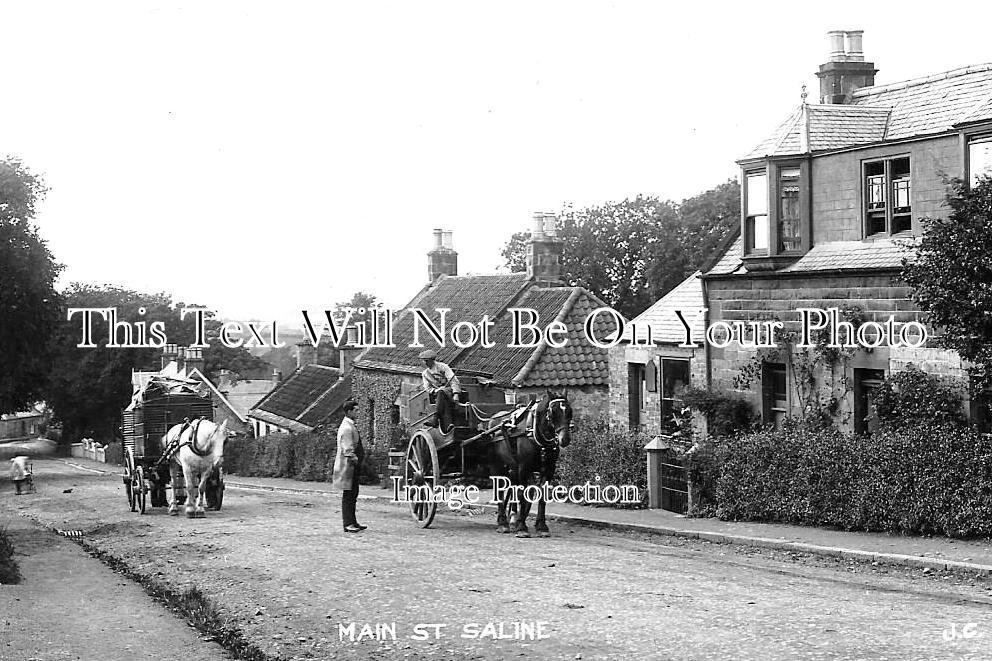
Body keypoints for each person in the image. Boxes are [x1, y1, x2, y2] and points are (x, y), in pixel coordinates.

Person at [333, 400, 366, 533]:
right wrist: (356, 460)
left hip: (352, 466)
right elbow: (347, 450)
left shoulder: (349, 425)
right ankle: (348, 524)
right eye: (356, 410)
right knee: (349, 495)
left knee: (353, 494)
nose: (358, 412)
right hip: (348, 466)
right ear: (349, 412)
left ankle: (353, 521)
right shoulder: (347, 428)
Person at [419, 349, 463, 433]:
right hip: (438, 395)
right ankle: (448, 426)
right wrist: (436, 390)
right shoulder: (425, 374)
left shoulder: (443, 367)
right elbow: (428, 388)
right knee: (441, 395)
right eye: (423, 361)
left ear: (432, 360)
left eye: (427, 361)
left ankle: (435, 419)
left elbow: (453, 380)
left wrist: (456, 393)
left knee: (442, 393)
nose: (425, 363)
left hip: (450, 391)